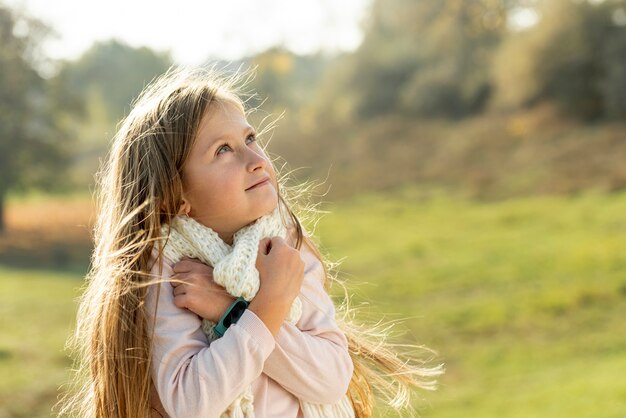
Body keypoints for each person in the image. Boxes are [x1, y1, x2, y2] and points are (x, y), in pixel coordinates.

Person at [58, 67, 443, 418]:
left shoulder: (286, 247)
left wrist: (233, 311)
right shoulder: (165, 269)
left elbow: (329, 380)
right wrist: (267, 308)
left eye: (250, 138)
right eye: (222, 150)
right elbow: (191, 402)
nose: (255, 158)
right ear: (175, 196)